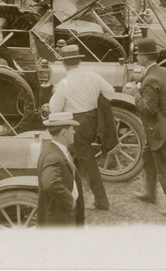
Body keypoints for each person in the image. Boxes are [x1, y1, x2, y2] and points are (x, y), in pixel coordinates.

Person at [48, 44, 118, 212]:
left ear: (65, 64)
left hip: (77, 125)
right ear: (78, 61)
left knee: (87, 163)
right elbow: (110, 92)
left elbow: (54, 109)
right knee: (81, 158)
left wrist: (54, 93)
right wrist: (95, 102)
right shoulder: (92, 75)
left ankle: (101, 202)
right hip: (94, 121)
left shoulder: (63, 84)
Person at [128, 38, 166, 216]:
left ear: (145, 58)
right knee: (147, 156)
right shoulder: (164, 71)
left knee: (165, 167)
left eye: (138, 55)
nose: (137, 58)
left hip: (158, 131)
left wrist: (135, 94)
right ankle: (150, 193)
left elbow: (148, 109)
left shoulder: (150, 79)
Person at [36, 111, 86, 226]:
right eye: (71, 129)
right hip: (59, 221)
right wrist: (69, 200)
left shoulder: (54, 150)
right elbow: (50, 183)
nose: (74, 132)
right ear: (64, 132)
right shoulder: (54, 157)